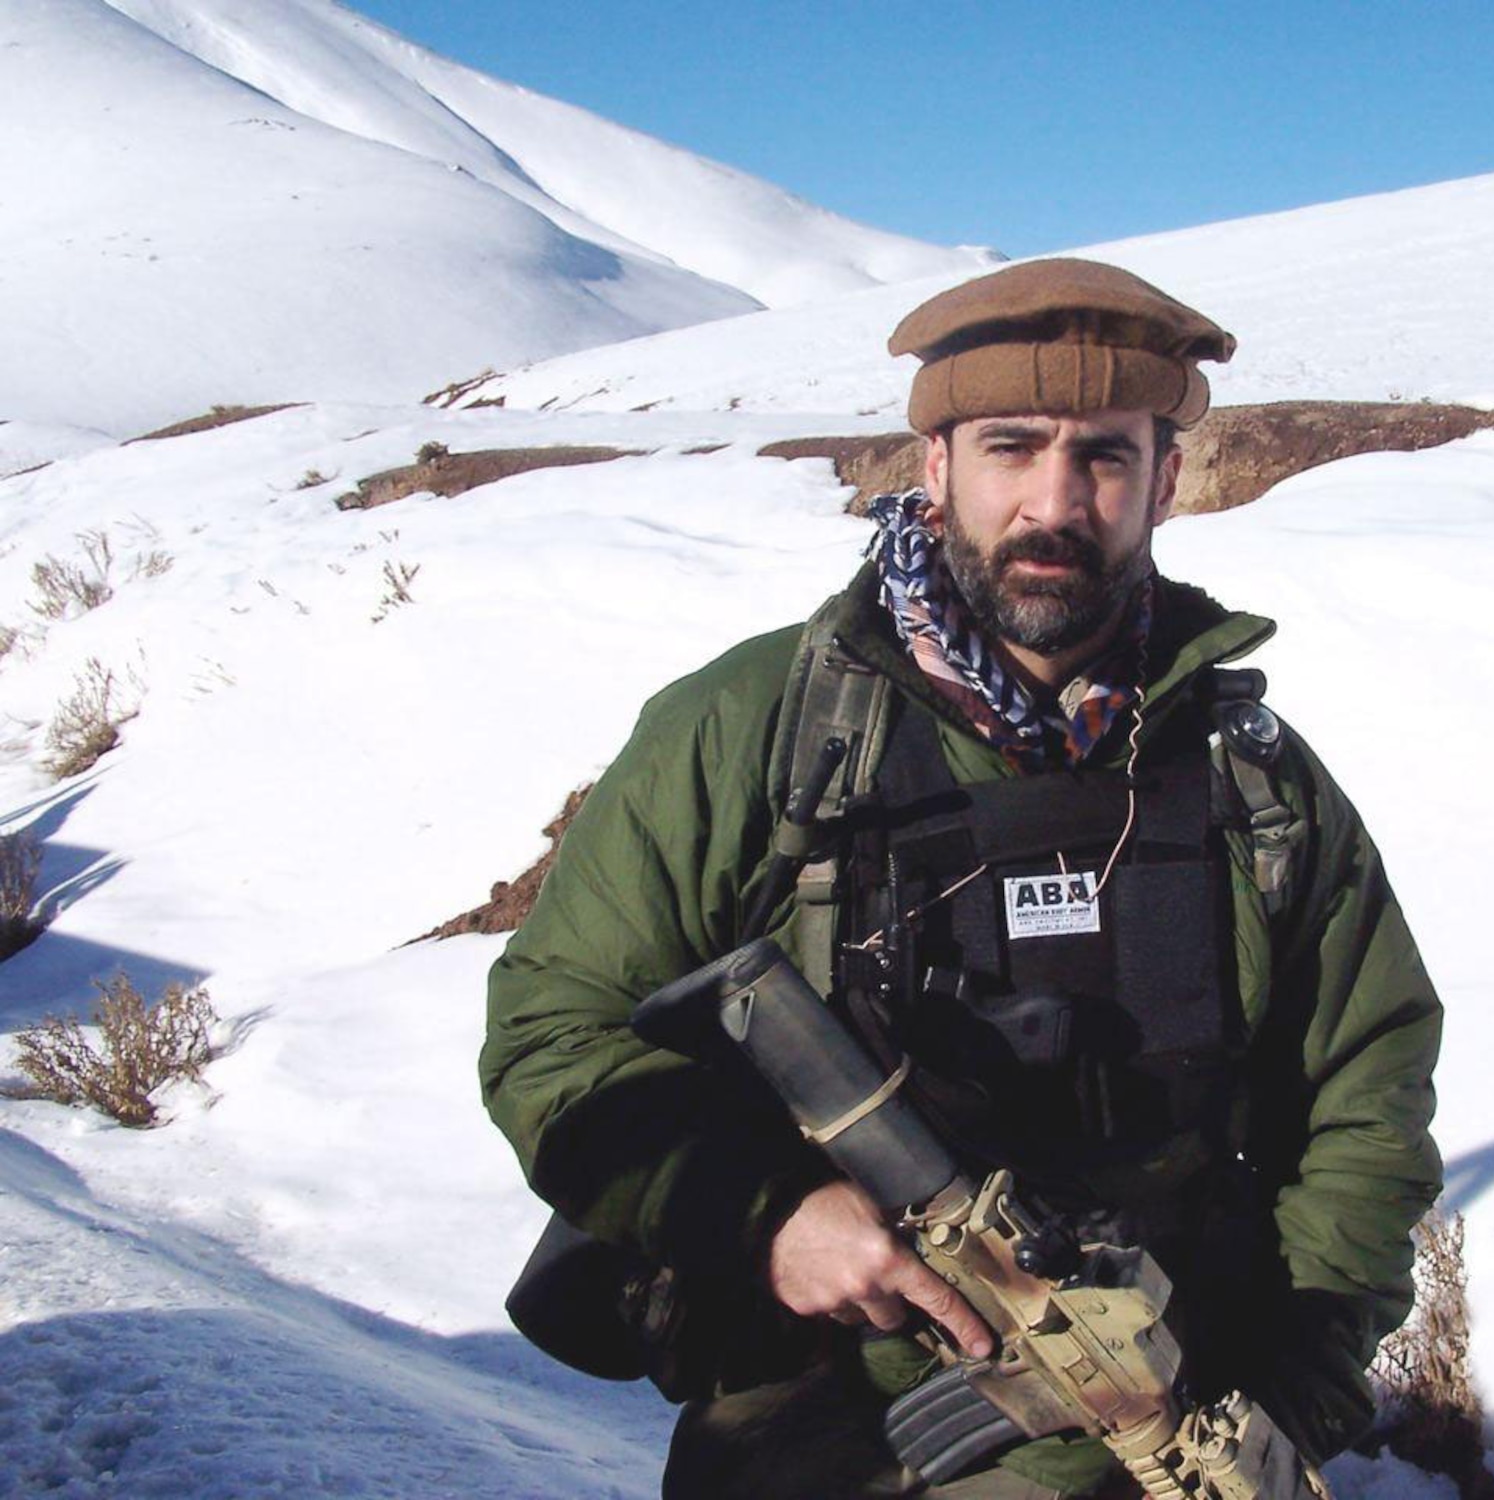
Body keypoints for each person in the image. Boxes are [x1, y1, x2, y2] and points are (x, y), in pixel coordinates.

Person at [480, 258, 1444, 1499]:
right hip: (825, 1421)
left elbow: (1366, 1095)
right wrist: (768, 1214)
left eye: (1102, 455)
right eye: (1009, 448)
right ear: (933, 467)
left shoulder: (1248, 778)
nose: (1054, 501)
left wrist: (1294, 1390)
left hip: (1164, 1409)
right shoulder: (751, 731)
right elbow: (550, 1036)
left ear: (1164, 479)